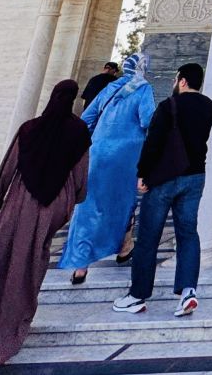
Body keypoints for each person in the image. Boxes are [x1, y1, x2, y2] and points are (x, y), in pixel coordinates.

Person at [0, 81, 90, 371]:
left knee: (2, 268)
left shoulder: (30, 129)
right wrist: (72, 199)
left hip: (19, 200)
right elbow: (81, 178)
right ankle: (4, 339)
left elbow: (8, 169)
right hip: (53, 202)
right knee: (28, 269)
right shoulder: (78, 131)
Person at [113, 63, 212, 318]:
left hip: (165, 178)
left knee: (148, 237)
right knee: (188, 233)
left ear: (181, 81)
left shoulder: (168, 106)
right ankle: (188, 291)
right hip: (195, 176)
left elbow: (153, 143)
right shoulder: (209, 106)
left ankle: (137, 295)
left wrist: (143, 173)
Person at [58, 53, 157, 284]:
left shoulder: (110, 89)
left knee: (89, 206)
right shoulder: (143, 89)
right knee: (123, 202)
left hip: (100, 151)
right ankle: (124, 247)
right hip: (126, 154)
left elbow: (87, 117)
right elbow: (147, 120)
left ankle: (80, 265)